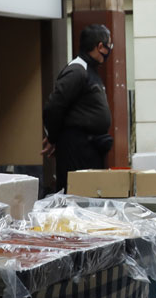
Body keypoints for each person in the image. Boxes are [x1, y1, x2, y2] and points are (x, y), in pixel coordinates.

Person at [42, 24, 113, 193]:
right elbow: (53, 107)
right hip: (76, 148)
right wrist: (53, 138)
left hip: (91, 148)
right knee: (77, 195)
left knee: (91, 194)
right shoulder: (77, 70)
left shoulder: (91, 71)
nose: (110, 49)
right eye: (109, 45)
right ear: (100, 46)